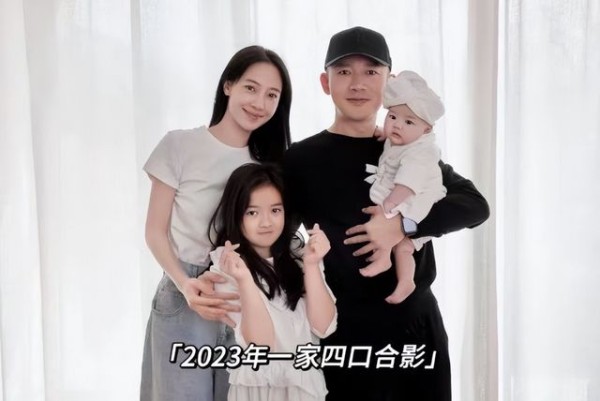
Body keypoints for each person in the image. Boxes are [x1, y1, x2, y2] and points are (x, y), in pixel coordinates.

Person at [282, 26, 490, 400]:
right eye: (344, 71)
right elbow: (274, 236)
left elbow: (475, 205)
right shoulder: (299, 159)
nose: (357, 83)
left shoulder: (407, 147)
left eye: (371, 71)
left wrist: (403, 226)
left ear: (389, 83)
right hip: (344, 336)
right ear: (325, 82)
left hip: (416, 329)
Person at [140, 45, 292, 401]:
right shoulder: (180, 145)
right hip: (187, 292)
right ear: (228, 85)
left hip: (248, 295)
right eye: (251, 88)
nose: (260, 103)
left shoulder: (272, 162)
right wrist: (185, 285)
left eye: (272, 95)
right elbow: (154, 232)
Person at [208, 163, 337, 401]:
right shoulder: (226, 266)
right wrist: (245, 280)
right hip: (257, 388)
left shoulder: (300, 253)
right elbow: (261, 347)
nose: (266, 222)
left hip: (303, 385)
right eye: (252, 213)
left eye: (275, 210)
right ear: (236, 214)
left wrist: (311, 265)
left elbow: (324, 327)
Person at [362, 70, 447, 304]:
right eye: (392, 117)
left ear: (426, 130)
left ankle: (401, 276)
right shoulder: (403, 139)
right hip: (406, 195)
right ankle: (391, 266)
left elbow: (408, 184)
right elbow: (393, 141)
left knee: (399, 241)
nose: (397, 126)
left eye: (408, 122)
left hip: (417, 198)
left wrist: (390, 206)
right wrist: (384, 133)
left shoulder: (421, 152)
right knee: (394, 239)